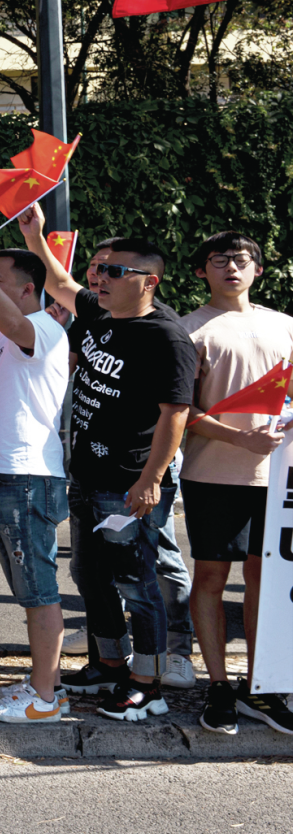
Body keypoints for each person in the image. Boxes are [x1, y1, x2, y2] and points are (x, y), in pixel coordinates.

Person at [22, 206, 196, 680]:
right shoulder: (101, 312)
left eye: (115, 272)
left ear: (149, 282)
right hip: (88, 473)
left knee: (137, 583)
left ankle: (148, 681)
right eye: (99, 270)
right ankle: (111, 663)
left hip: (128, 481)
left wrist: (151, 479)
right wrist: (37, 238)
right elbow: (61, 284)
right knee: (89, 574)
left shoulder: (166, 338)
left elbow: (175, 413)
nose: (100, 279)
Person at [177, 232, 293, 734]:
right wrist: (238, 439)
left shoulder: (285, 325)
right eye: (218, 260)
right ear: (202, 271)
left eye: (240, 260)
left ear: (258, 270)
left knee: (265, 580)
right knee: (210, 578)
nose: (231, 268)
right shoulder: (187, 330)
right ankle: (220, 686)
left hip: (278, 477)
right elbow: (181, 411)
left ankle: (261, 686)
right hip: (212, 474)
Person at [0, 238, 74, 723]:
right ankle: (44, 685)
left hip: (27, 477)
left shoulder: (41, 327)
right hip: (6, 475)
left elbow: (10, 321)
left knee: (37, 590)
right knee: (29, 588)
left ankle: (44, 698)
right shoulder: (10, 335)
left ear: (28, 290)